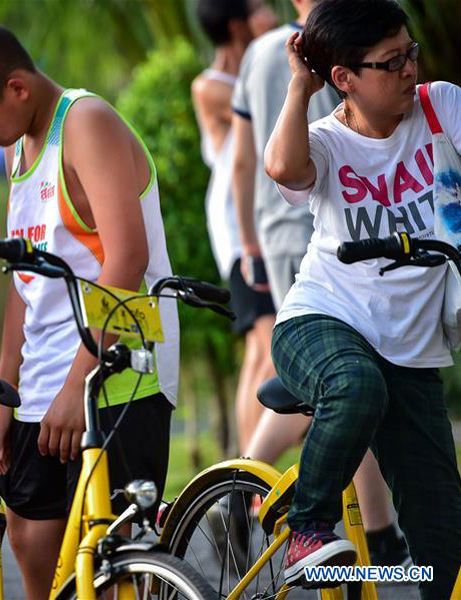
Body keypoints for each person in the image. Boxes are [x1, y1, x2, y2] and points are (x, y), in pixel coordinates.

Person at [0, 20, 180, 599]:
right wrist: (5, 391)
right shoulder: (19, 146)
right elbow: (24, 286)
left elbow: (127, 260)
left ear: (17, 88)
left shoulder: (86, 123)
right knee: (31, 542)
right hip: (43, 386)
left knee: (113, 569)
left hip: (116, 383)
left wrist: (78, 382)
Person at [264, 0, 461, 595]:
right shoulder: (324, 140)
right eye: (390, 61)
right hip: (321, 321)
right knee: (356, 384)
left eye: (411, 52)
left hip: (413, 350)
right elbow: (281, 167)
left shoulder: (441, 106)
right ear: (343, 79)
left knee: (442, 545)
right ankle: (307, 527)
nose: (409, 70)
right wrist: (301, 87)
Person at [233, 0, 409, 567]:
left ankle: (370, 528)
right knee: (341, 379)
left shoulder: (280, 50)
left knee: (343, 381)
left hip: (297, 228)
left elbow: (240, 158)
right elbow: (263, 157)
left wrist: (246, 237)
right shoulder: (322, 55)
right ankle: (255, 491)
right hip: (314, 233)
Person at [192, 0, 277, 456]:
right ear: (237, 25)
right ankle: (251, 474)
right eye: (260, 7)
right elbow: (268, 103)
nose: (271, 12)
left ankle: (244, 477)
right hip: (241, 229)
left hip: (264, 222)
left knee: (257, 351)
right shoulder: (211, 87)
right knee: (267, 344)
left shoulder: (259, 67)